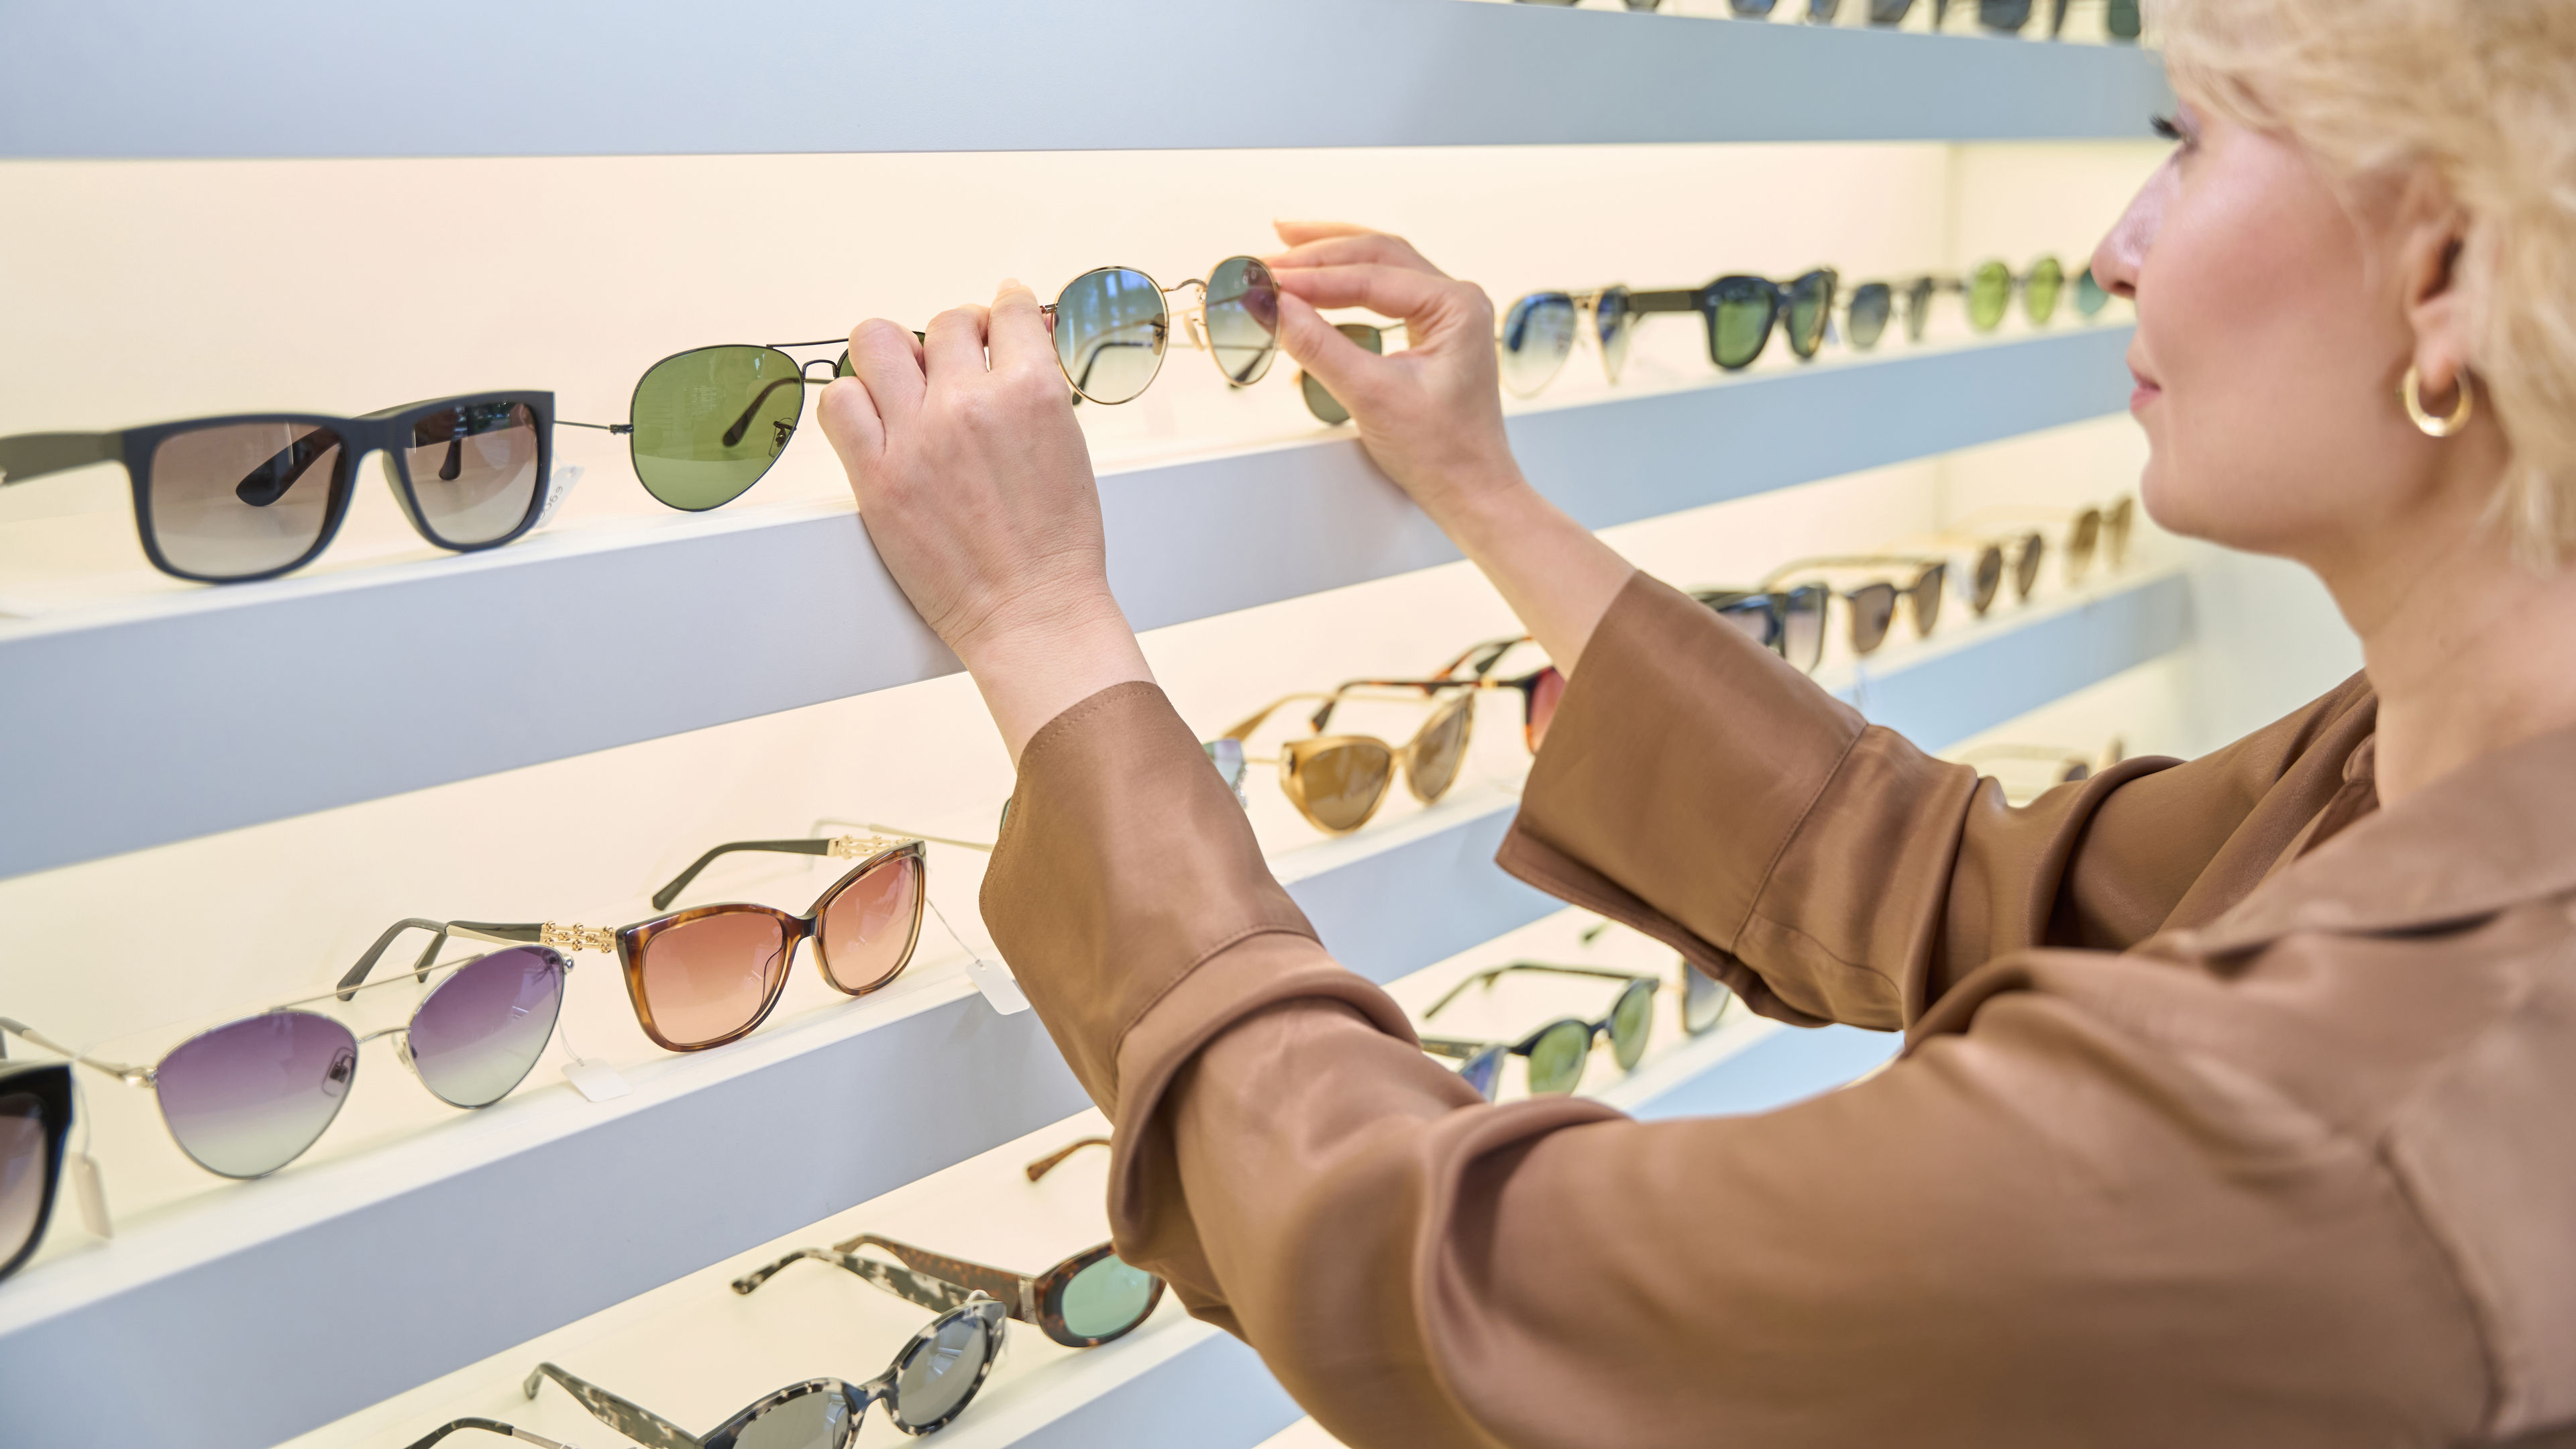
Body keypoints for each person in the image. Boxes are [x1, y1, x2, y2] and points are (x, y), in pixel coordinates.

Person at [814, 0, 2576, 1441]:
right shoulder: (2415, 768)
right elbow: (1953, 886)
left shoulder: (2350, 1110)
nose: (2117, 253)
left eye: (2184, 144)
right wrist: (1482, 489)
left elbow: (1465, 1293)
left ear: (2447, 272)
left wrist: (1043, 629)